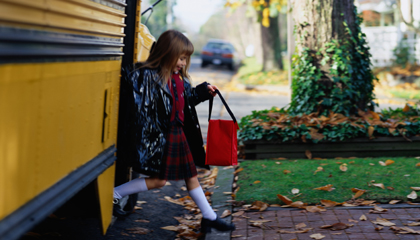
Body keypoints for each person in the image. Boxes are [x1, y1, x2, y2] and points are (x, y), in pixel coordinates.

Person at [113, 29, 235, 233]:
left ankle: (209, 217)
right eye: (181, 58)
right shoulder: (148, 77)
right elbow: (139, 104)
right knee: (159, 181)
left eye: (186, 59)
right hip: (161, 136)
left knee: (191, 176)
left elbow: (187, 102)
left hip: (178, 134)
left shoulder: (180, 80)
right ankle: (115, 194)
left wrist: (203, 92)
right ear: (167, 54)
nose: (183, 63)